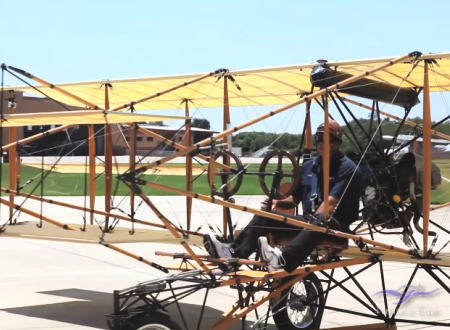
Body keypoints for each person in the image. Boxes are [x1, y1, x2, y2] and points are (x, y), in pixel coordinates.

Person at [204, 120, 362, 272]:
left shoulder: (347, 168)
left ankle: (283, 261)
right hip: (308, 223)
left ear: (337, 142)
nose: (321, 143)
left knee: (320, 219)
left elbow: (329, 204)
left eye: (328, 139)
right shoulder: (309, 166)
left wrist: (314, 222)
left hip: (334, 228)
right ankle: (232, 255)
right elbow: (294, 198)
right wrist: (275, 201)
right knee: (265, 216)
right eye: (318, 138)